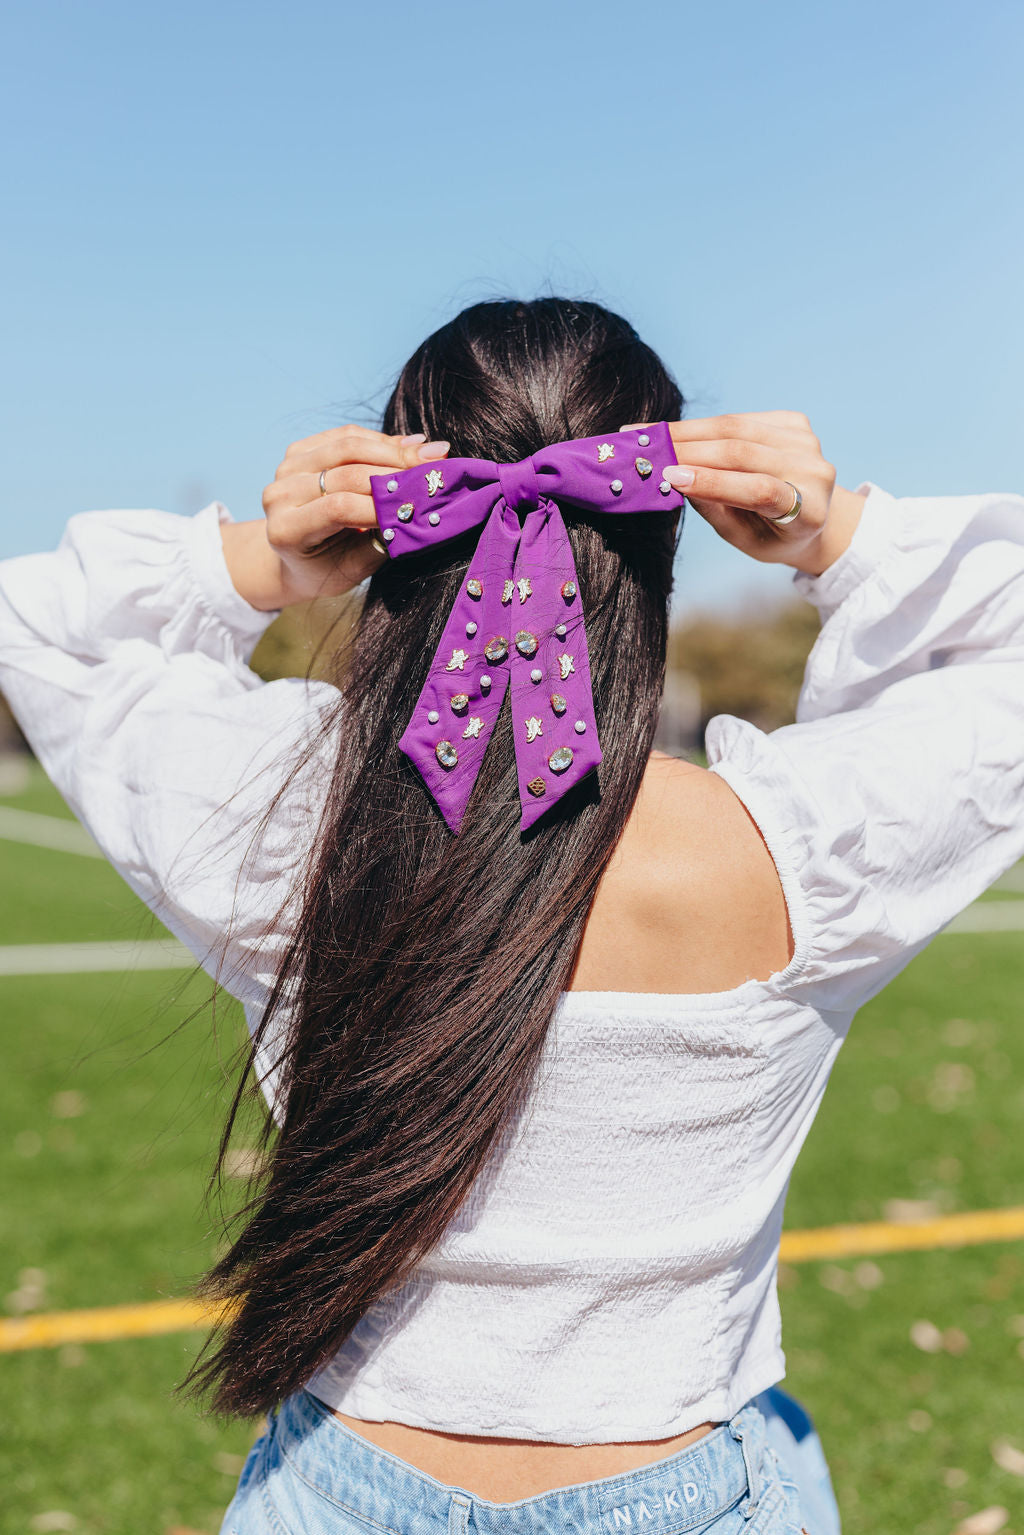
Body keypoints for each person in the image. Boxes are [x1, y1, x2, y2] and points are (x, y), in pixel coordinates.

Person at [1, 299, 1022, 1535]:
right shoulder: (802, 846)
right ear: (669, 522)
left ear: (384, 515)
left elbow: (39, 627)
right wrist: (834, 533)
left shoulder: (273, 820)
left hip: (333, 1491)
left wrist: (261, 561)